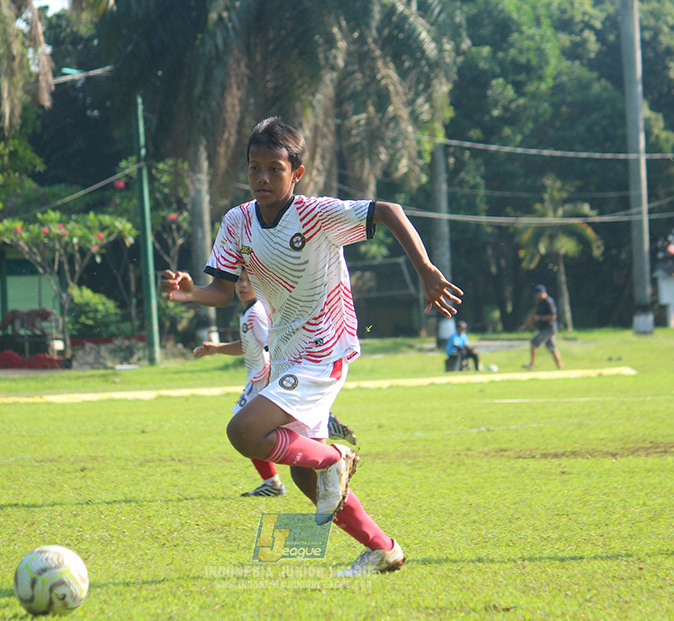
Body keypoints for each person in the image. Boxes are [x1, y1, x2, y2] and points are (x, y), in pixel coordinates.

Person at [161, 117, 462, 576]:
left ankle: (337, 457)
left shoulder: (317, 214)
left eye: (274, 169)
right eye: (254, 168)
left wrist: (424, 269)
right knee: (305, 473)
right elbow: (221, 290)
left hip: (326, 347)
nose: (262, 177)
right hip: (287, 349)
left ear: (295, 173)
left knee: (244, 432)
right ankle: (383, 549)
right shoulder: (237, 221)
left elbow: (389, 210)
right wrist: (189, 293)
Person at [194, 269, 357, 498]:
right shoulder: (249, 312)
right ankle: (317, 422)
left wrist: (275, 382)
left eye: (248, 281)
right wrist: (217, 349)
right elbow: (247, 345)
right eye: (239, 281)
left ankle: (275, 481)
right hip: (259, 380)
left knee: (247, 431)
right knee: (249, 431)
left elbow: (270, 345)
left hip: (264, 380)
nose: (242, 286)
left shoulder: (256, 313)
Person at [517, 284, 562, 370]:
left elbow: (553, 316)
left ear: (542, 293)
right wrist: (524, 326)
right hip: (546, 328)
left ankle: (531, 365)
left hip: (549, 328)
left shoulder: (549, 302)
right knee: (552, 348)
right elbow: (534, 317)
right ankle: (560, 367)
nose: (535, 296)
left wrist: (540, 318)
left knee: (534, 342)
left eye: (537, 294)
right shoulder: (540, 302)